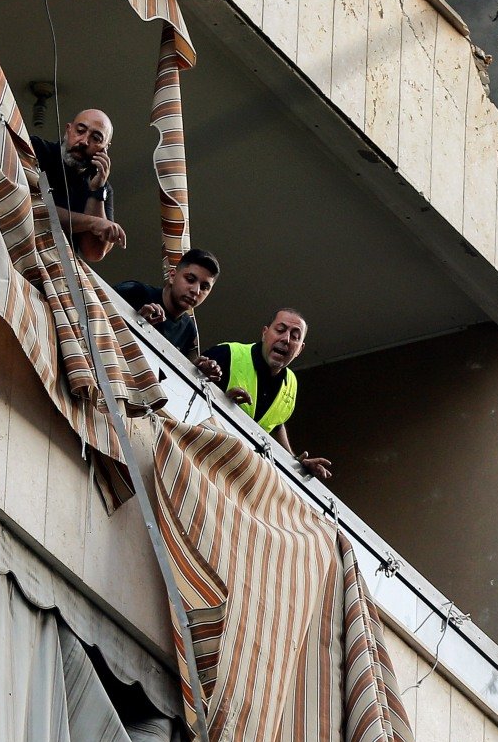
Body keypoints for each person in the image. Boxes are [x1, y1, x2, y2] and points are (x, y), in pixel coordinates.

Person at [204, 310, 332, 480]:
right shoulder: (227, 353)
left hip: (235, 472)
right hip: (203, 452)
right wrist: (220, 400)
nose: (286, 339)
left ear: (300, 349)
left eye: (295, 336)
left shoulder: (291, 383)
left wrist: (295, 463)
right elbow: (184, 387)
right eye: (280, 330)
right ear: (265, 333)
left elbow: (276, 424)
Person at [29, 109, 126, 263]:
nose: (84, 141)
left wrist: (97, 190)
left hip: (56, 268)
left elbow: (93, 252)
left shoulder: (103, 188)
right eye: (80, 131)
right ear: (68, 130)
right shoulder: (36, 149)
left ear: (105, 148)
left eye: (96, 138)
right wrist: (92, 223)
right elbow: (31, 209)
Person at [115, 249, 223, 381]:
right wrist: (134, 322)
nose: (196, 290)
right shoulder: (135, 292)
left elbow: (168, 381)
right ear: (172, 276)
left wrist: (195, 373)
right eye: (190, 279)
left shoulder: (188, 330)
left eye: (204, 287)